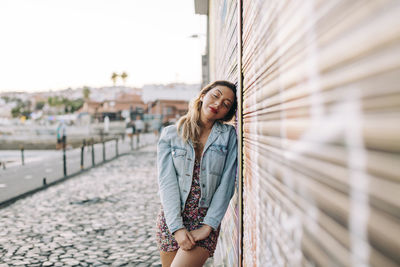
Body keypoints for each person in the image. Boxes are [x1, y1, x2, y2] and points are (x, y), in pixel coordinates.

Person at [156, 80, 238, 267]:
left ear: (228, 112)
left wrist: (208, 227)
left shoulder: (228, 136)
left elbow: (226, 185)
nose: (218, 104)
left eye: (226, 104)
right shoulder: (171, 134)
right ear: (203, 95)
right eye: (215, 95)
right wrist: (176, 228)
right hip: (172, 218)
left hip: (204, 222)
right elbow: (166, 183)